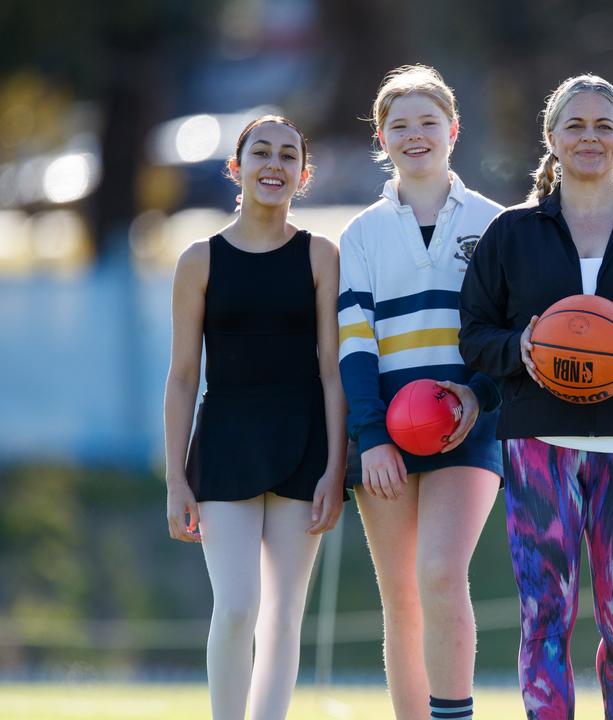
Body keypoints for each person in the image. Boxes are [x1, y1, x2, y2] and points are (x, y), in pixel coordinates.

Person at [458, 74, 613, 720]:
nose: (590, 137)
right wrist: (525, 348)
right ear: (552, 138)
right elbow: (476, 337)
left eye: (604, 126)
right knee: (545, 612)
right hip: (538, 439)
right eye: (576, 125)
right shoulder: (512, 234)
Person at [163, 115, 346, 720]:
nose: (275, 164)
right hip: (224, 447)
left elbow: (330, 370)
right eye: (260, 153)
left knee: (283, 613)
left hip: (305, 447)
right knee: (237, 605)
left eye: (288, 155)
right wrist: (176, 480)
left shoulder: (321, 255)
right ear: (236, 169)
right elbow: (184, 376)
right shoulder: (199, 260)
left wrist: (335, 470)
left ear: (303, 173)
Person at [336, 65, 504, 720]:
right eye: (399, 125)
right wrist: (371, 438)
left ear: (453, 130)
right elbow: (356, 345)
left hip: (470, 428)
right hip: (386, 440)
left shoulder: (496, 224)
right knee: (401, 596)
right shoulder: (361, 234)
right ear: (382, 137)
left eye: (428, 122)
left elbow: (508, 335)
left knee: (440, 572)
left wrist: (477, 397)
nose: (415, 135)